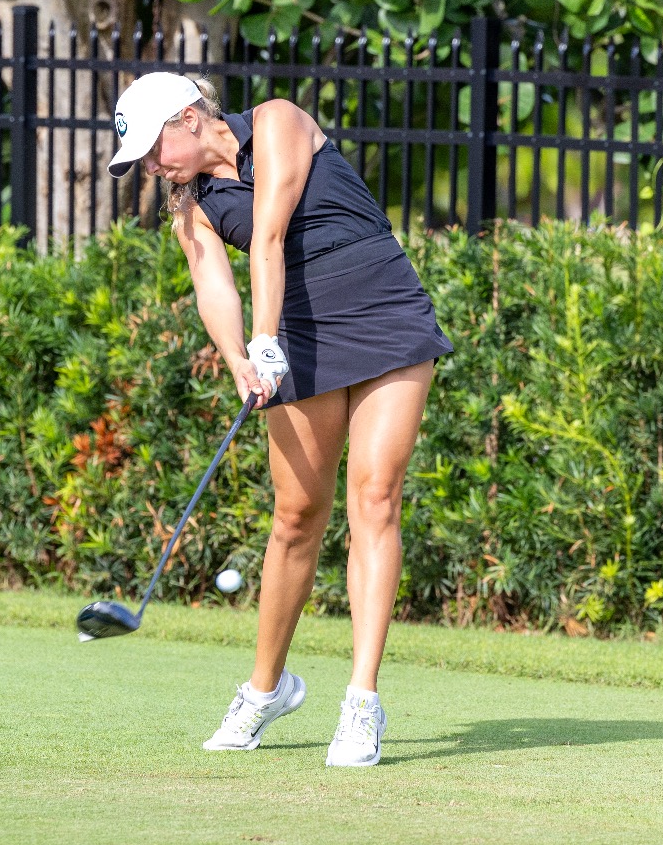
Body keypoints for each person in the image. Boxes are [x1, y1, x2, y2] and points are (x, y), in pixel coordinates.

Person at [105, 72, 453, 767]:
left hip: (382, 310)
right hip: (298, 333)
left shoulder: (278, 122)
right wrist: (240, 357)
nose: (151, 166)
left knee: (375, 497)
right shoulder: (191, 207)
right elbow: (213, 285)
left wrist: (263, 337)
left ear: (188, 118)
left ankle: (362, 700)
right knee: (296, 515)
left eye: (152, 148)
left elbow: (267, 236)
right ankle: (266, 689)